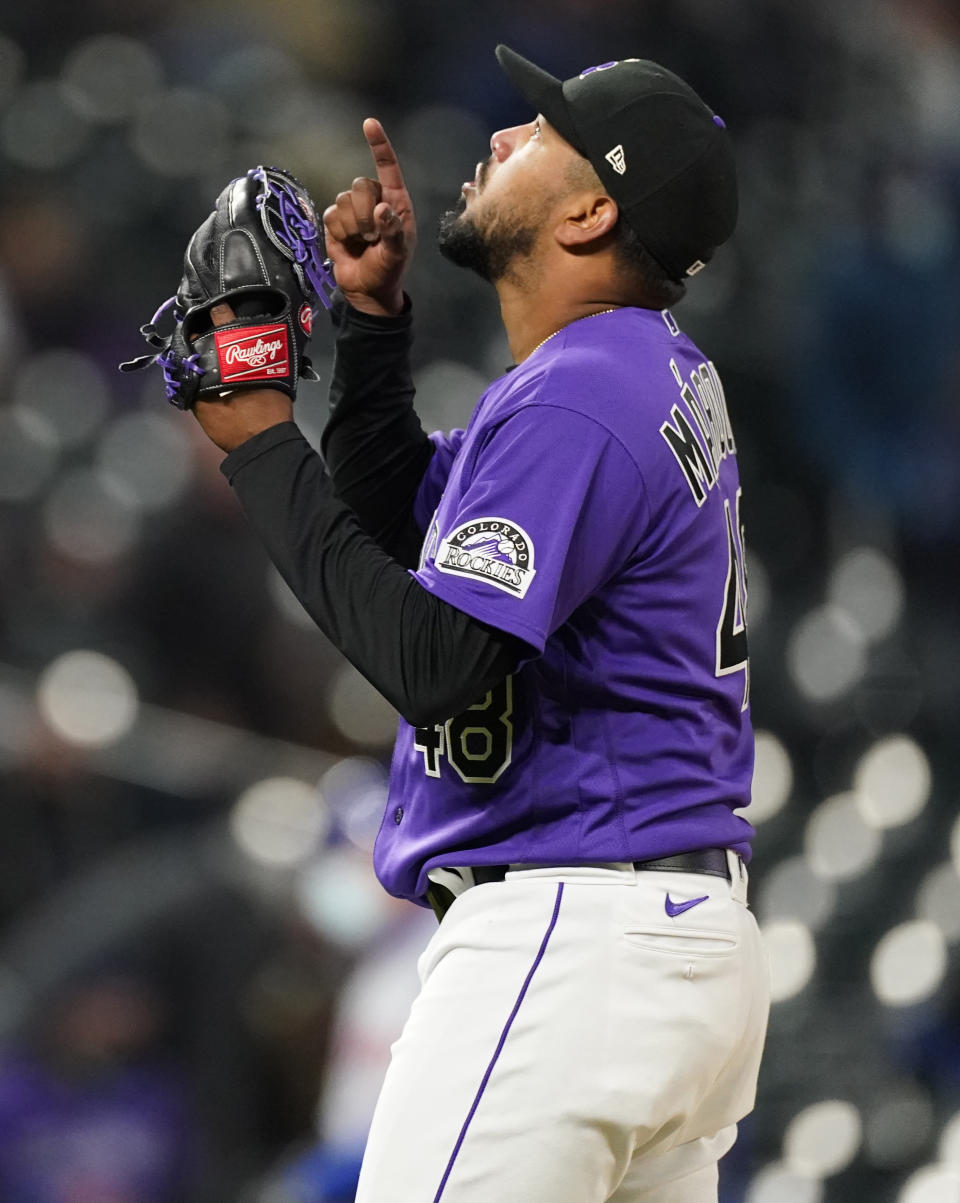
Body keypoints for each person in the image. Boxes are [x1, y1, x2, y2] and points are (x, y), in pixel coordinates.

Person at [189, 44, 769, 1203]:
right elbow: (415, 514)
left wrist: (257, 438)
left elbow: (440, 665)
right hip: (664, 935)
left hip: (572, 936)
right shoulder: (631, 370)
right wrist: (370, 323)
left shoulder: (581, 391)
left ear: (591, 210)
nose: (503, 138)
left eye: (543, 134)